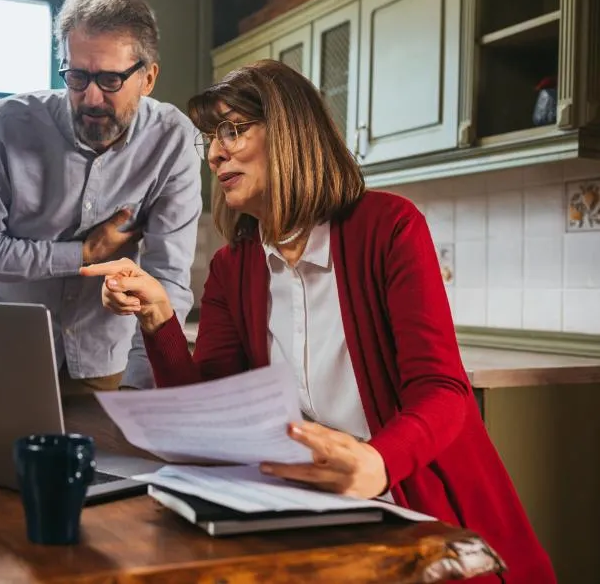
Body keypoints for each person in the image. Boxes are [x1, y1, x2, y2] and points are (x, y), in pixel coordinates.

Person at [80, 59, 554, 582]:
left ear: (290, 133)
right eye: (212, 138)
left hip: (414, 500)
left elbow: (443, 390)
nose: (215, 153)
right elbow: (209, 418)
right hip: (310, 507)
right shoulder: (233, 267)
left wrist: (378, 462)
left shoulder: (390, 227)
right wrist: (158, 317)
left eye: (234, 130)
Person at [0, 0, 201, 392]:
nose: (91, 98)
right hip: (3, 357)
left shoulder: (173, 140)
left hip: (104, 364)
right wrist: (79, 255)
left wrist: (140, 389)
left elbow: (167, 279)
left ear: (148, 77)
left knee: (108, 459)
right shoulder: (6, 125)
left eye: (111, 79)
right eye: (78, 76)